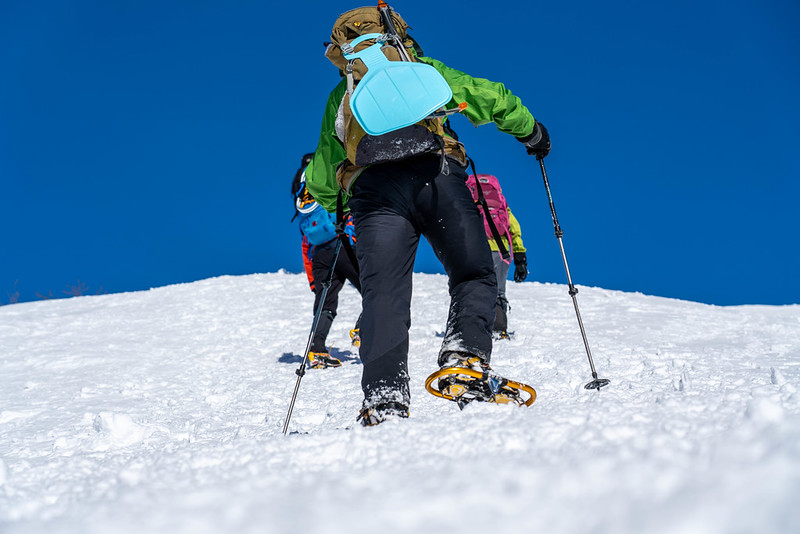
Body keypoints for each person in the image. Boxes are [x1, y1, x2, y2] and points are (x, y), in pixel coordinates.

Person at [305, 5, 551, 424]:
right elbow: (488, 96)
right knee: (473, 270)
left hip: (372, 194)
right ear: (394, 34)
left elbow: (324, 173)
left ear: (342, 50)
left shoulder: (342, 96)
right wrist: (532, 132)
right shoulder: (423, 69)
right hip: (435, 174)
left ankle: (385, 396)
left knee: (384, 296)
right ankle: (465, 356)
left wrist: (337, 206)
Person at [292, 153, 362, 369]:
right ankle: (363, 329)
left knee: (325, 303)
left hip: (319, 252)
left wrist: (313, 281)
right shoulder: (326, 180)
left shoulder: (302, 195)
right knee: (374, 288)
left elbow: (306, 245)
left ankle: (316, 348)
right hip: (342, 243)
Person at [465, 173, 529, 339]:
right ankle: (498, 329)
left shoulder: (469, 201)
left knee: (473, 289)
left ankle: (471, 328)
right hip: (501, 252)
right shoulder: (502, 206)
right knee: (498, 291)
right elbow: (514, 229)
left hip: (475, 249)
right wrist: (520, 256)